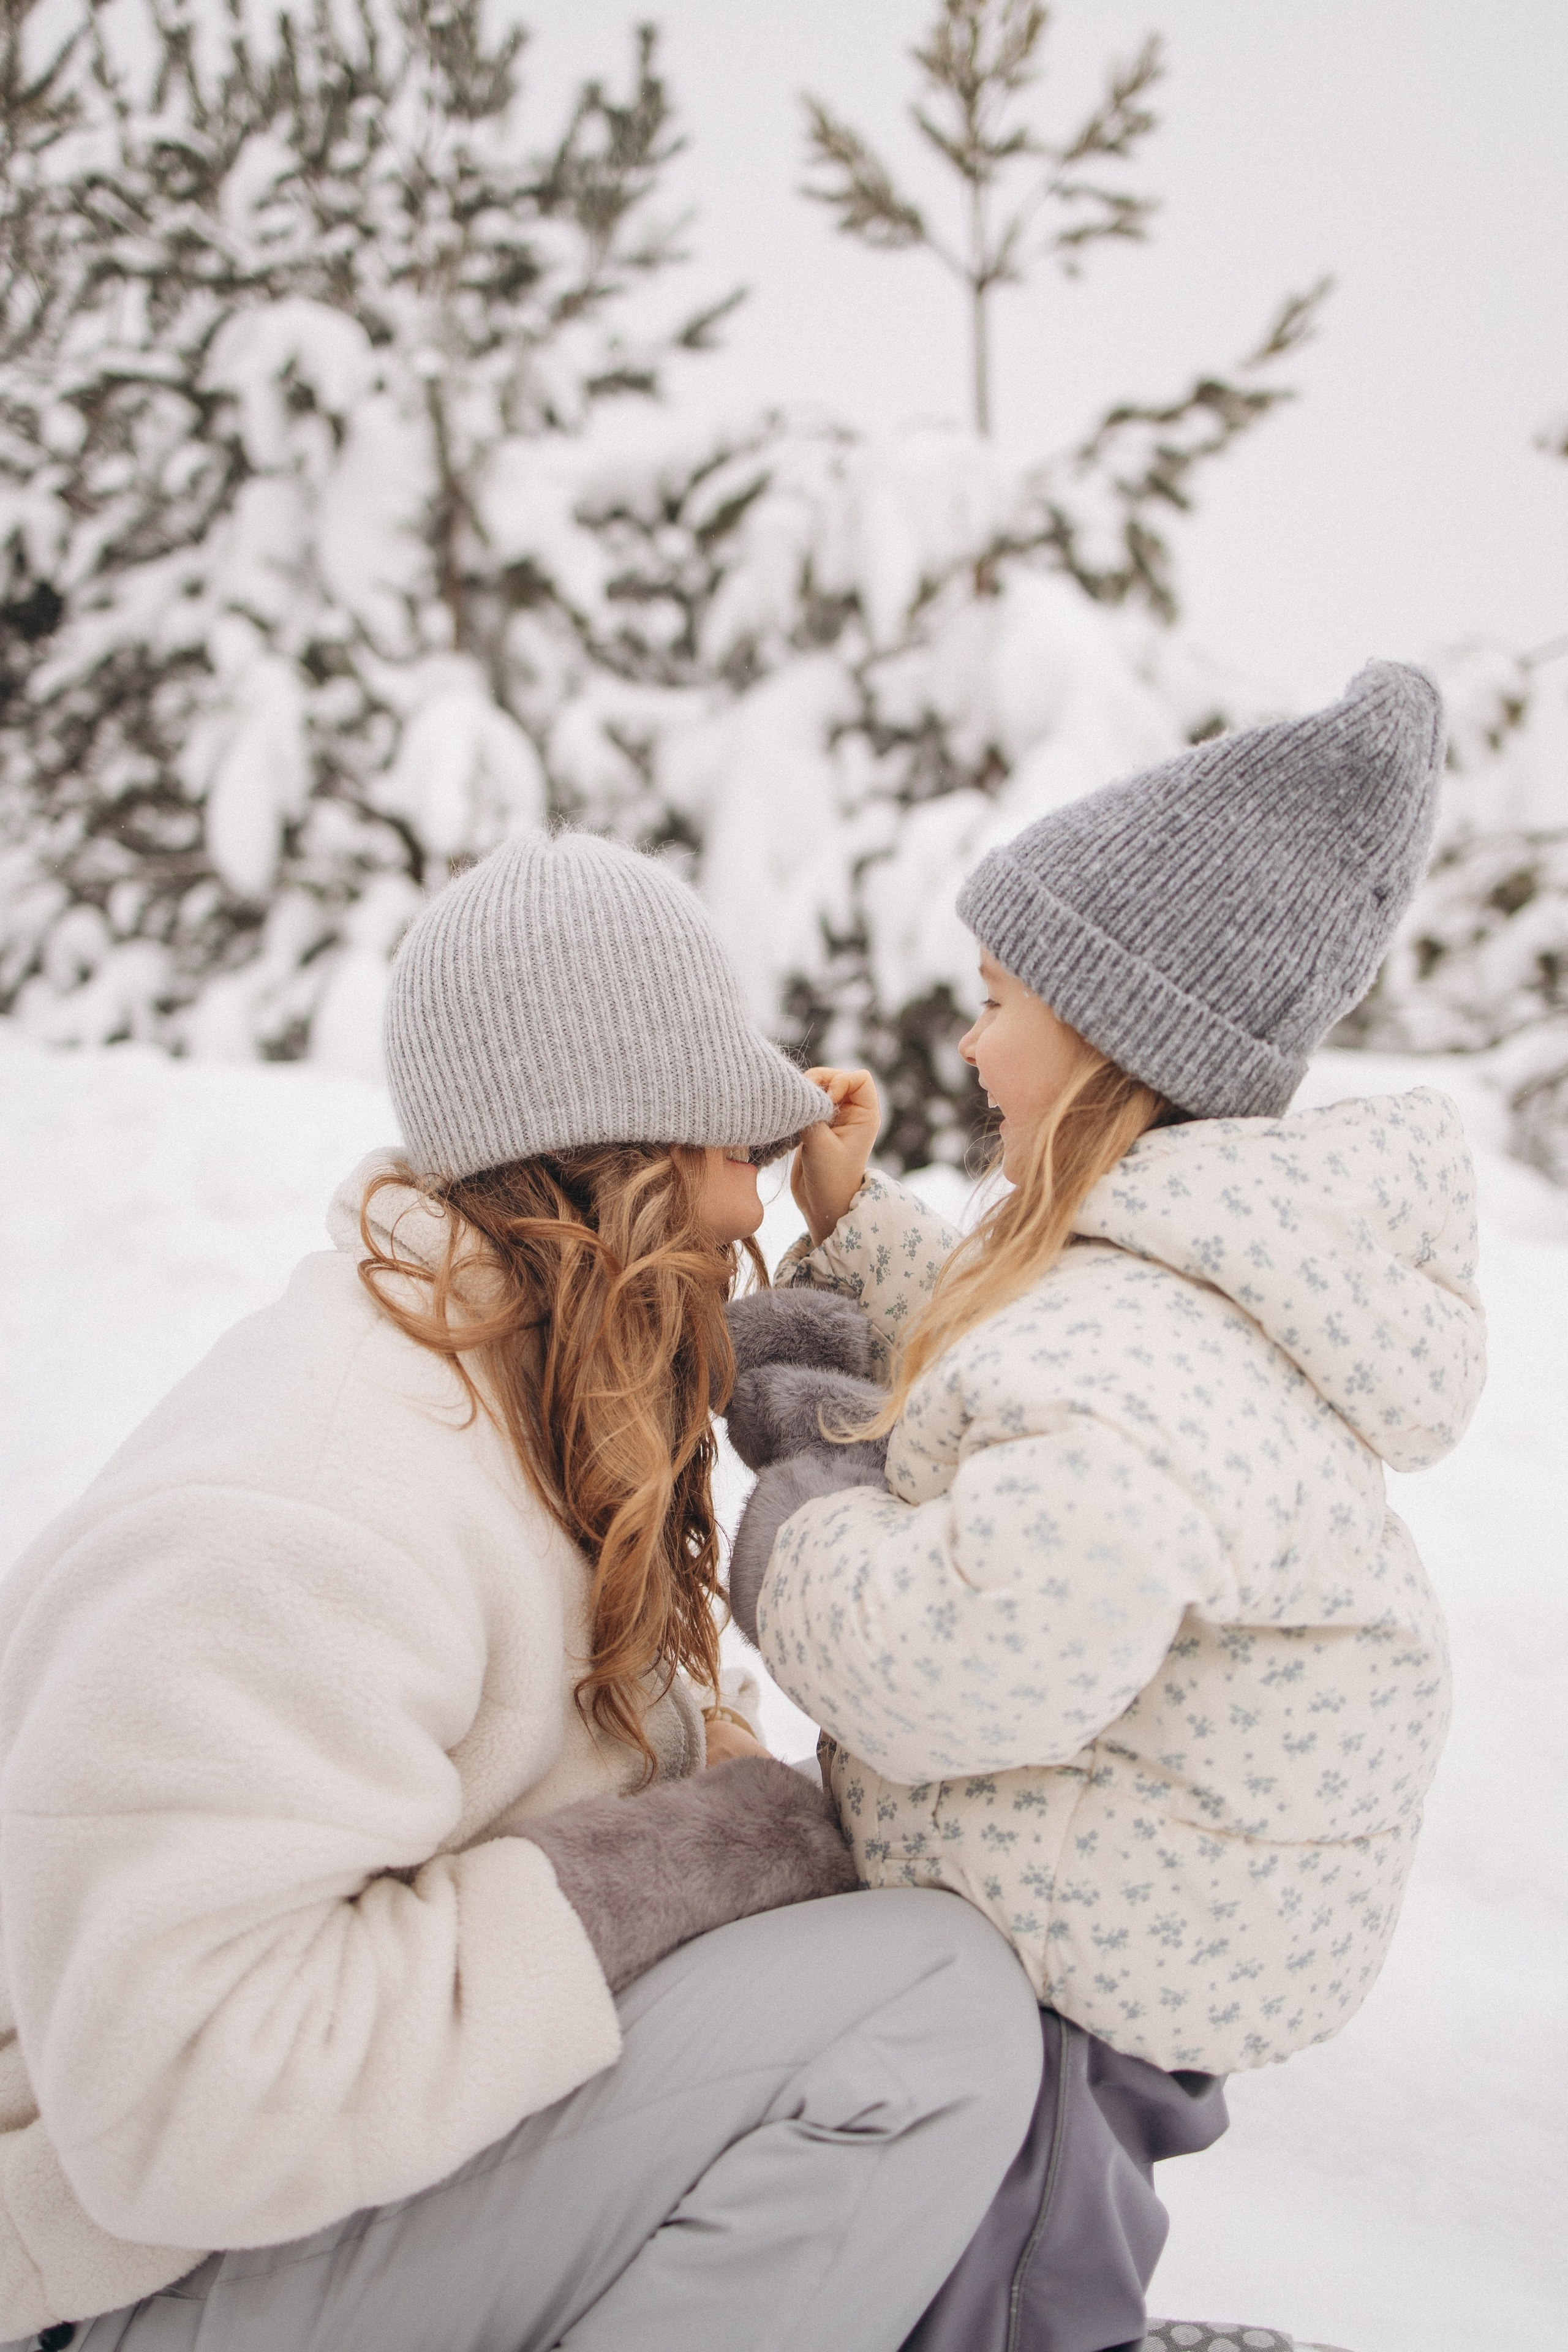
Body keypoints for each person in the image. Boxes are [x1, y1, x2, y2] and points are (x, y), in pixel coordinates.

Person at [0, 834, 1044, 2352]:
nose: (752, 1220)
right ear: (617, 1157)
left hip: (261, 2238)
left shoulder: (508, 1398)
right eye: (735, 1157)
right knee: (919, 2009)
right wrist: (704, 1854)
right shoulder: (303, 1509)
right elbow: (184, 2111)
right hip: (136, 2282)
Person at [725, 662, 1487, 2352]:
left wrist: (802, 1504)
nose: (971, 1039)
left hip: (1088, 1972)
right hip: (1121, 1878)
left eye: (997, 998)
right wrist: (860, 1240)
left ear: (1110, 1028)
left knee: (997, 2290)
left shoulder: (1147, 1351)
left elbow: (965, 1659)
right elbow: (1021, 1370)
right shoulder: (1159, 1267)